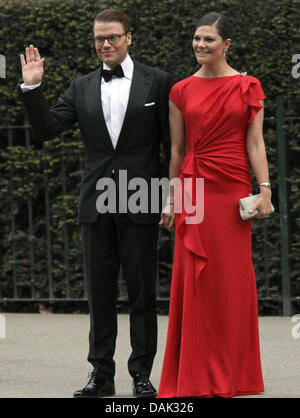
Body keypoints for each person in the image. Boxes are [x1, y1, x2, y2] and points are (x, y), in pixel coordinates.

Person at [20, 9, 172, 398]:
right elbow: (46, 129)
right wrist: (33, 89)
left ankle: (141, 374)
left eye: (113, 38)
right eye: (99, 39)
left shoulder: (159, 83)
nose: (105, 45)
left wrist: (176, 197)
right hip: (97, 202)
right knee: (100, 294)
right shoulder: (82, 86)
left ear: (129, 37)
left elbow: (175, 148)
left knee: (142, 293)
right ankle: (100, 376)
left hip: (143, 198)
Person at [158, 12, 273, 398]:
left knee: (231, 283)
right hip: (193, 189)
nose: (200, 45)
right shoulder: (180, 90)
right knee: (196, 283)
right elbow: (176, 150)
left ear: (226, 44)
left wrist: (265, 189)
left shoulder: (247, 86)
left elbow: (255, 143)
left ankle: (235, 375)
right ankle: (194, 376)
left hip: (232, 191)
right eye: (196, 39)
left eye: (209, 39)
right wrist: (171, 198)